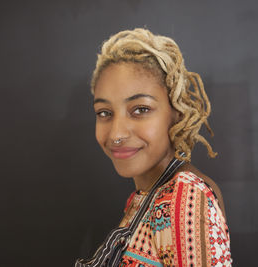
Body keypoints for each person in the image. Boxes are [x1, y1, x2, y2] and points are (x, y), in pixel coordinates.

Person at [82, 28, 232, 266]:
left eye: (140, 109)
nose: (117, 134)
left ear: (176, 112)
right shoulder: (144, 196)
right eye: (105, 113)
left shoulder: (184, 199)